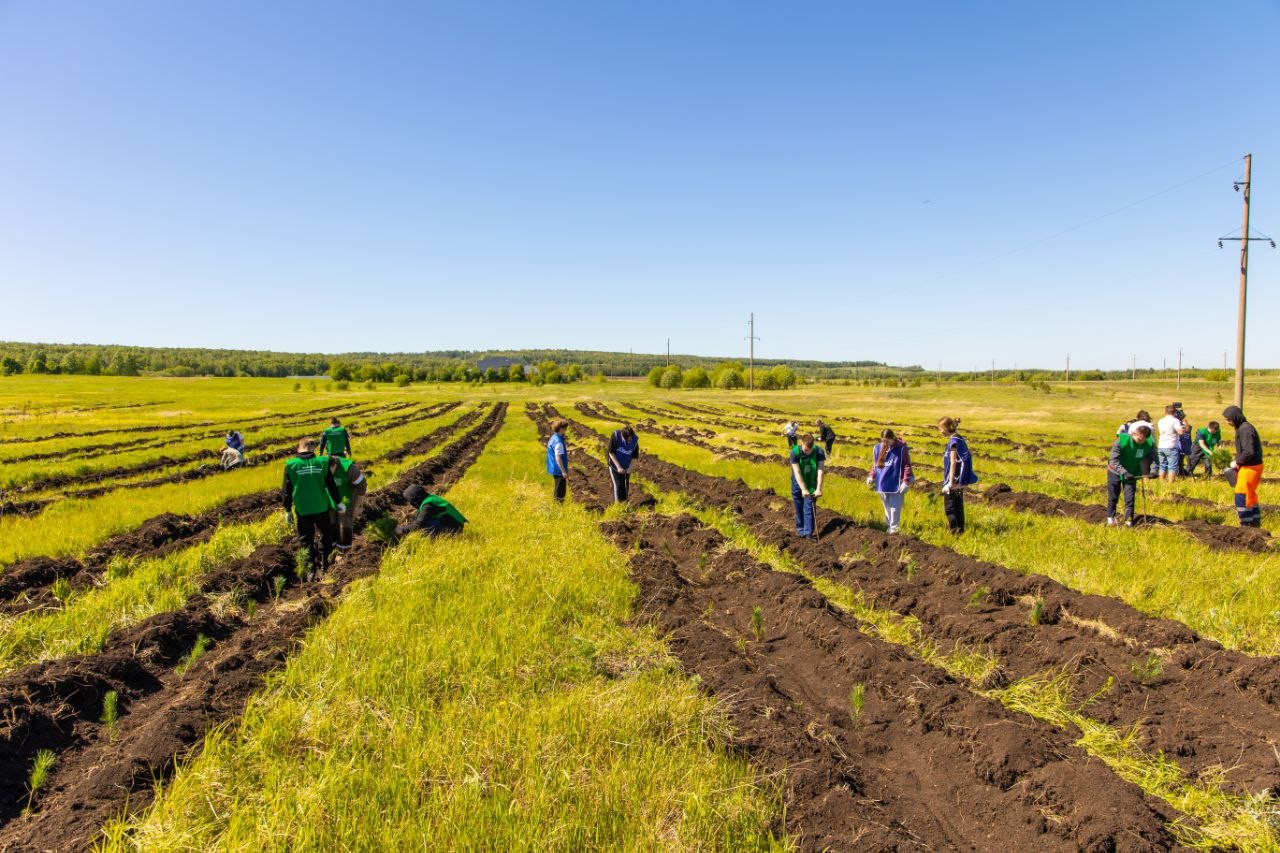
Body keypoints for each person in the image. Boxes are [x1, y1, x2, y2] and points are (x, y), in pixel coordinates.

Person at [282, 438, 344, 578]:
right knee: (325, 534)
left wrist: (287, 510)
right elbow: (331, 485)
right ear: (312, 449)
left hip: (303, 510)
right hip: (321, 507)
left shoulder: (291, 465)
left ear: (299, 449)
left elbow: (286, 491)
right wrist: (338, 502)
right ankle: (324, 563)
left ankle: (310, 570)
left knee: (306, 539)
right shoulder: (322, 462)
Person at [1223, 406, 1264, 528]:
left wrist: (1237, 462)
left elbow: (1249, 451)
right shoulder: (1242, 427)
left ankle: (1246, 524)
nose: (1227, 422)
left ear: (1235, 418)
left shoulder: (1245, 429)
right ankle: (1254, 524)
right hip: (1252, 465)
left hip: (1250, 467)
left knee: (1241, 494)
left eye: (1228, 419)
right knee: (1250, 495)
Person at [866, 429, 913, 534]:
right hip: (883, 482)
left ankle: (894, 528)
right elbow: (876, 465)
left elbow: (906, 465)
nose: (885, 443)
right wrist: (872, 476)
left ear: (893, 439)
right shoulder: (878, 448)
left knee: (895, 507)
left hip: (896, 481)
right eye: (883, 441)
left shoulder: (901, 448)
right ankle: (889, 527)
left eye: (887, 441)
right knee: (886, 506)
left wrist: (905, 481)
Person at [1106, 424, 1153, 527]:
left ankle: (1128, 521)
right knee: (1113, 496)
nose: (1140, 441)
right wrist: (1124, 472)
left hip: (1132, 473)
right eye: (1138, 438)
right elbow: (1113, 461)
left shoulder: (1149, 444)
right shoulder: (1120, 442)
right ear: (1133, 433)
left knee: (1129, 498)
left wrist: (1153, 471)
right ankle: (1111, 519)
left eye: (1143, 439)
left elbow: (1153, 458)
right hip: (1115, 472)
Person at [938, 417, 979, 534]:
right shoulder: (959, 439)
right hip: (960, 480)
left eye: (940, 429)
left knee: (950, 507)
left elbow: (953, 462)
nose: (940, 431)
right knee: (958, 506)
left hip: (954, 480)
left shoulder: (953, 442)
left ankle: (954, 531)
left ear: (946, 428)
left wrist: (950, 483)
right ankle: (960, 530)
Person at [789, 433, 826, 538]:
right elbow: (797, 471)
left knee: (809, 507)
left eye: (810, 451)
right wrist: (803, 489)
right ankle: (800, 530)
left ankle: (808, 534)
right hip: (798, 482)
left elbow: (820, 470)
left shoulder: (819, 452)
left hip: (811, 482)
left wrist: (818, 488)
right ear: (801, 444)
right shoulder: (794, 452)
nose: (808, 453)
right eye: (806, 451)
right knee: (798, 506)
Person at [395, 484, 466, 537]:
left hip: (455, 528)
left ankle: (446, 536)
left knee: (424, 527)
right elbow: (419, 516)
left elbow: (419, 523)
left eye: (410, 501)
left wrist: (402, 530)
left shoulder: (428, 505)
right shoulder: (429, 498)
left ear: (415, 499)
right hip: (454, 524)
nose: (411, 504)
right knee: (422, 520)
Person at [328, 454, 367, 549]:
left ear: (335, 465)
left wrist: (359, 506)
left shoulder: (349, 468)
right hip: (329, 500)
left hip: (346, 499)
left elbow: (362, 485)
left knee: (344, 525)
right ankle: (330, 548)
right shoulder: (320, 466)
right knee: (330, 523)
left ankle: (343, 550)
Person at [606, 425, 640, 503]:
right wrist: (618, 467)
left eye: (630, 439)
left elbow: (634, 456)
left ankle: (624, 504)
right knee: (618, 485)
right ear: (623, 436)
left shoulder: (634, 441)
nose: (629, 441)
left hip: (626, 466)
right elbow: (611, 452)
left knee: (625, 486)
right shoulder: (616, 436)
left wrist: (630, 468)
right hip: (614, 465)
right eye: (627, 439)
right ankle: (617, 506)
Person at [1118, 410, 1156, 478]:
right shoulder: (1150, 425)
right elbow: (1152, 439)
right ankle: (1146, 479)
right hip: (1147, 447)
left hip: (1134, 448)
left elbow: (1129, 437)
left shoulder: (1133, 425)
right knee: (1146, 467)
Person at [1155, 405, 1182, 483]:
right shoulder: (1175, 420)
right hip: (1171, 446)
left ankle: (1162, 482)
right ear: (1175, 412)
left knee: (1162, 465)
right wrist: (1182, 427)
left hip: (1161, 445)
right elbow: (1180, 432)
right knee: (1172, 466)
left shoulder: (1161, 420)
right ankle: (1171, 484)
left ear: (1165, 411)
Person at [546, 419, 569, 502]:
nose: (566, 430)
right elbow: (558, 457)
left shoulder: (554, 437)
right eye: (565, 428)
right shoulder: (558, 442)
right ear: (561, 429)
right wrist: (563, 471)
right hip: (558, 470)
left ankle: (556, 507)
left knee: (557, 489)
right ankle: (558, 508)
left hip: (553, 467)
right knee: (560, 492)